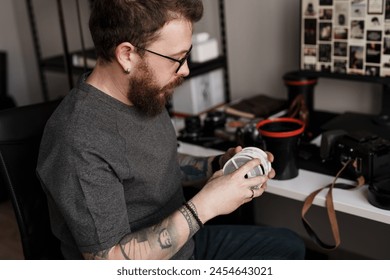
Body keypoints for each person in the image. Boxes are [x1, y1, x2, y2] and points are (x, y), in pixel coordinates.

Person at [37, 0, 305, 260]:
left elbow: (156, 165)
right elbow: (110, 262)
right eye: (177, 58)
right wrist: (207, 205)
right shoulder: (78, 139)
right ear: (127, 54)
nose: (185, 70)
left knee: (290, 246)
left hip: (186, 248)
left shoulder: (144, 92)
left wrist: (218, 165)